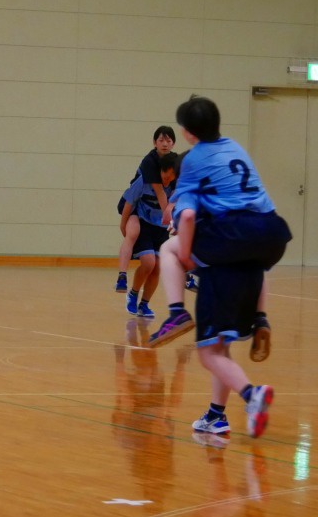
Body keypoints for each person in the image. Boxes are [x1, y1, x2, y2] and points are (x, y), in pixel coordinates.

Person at [146, 96, 290, 439]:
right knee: (219, 342)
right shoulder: (234, 148)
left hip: (230, 243)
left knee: (168, 249)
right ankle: (216, 413)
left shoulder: (193, 161)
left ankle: (178, 312)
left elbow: (191, 216)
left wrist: (185, 255)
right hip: (268, 236)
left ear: (186, 132)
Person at [115, 126, 176, 294]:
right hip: (134, 202)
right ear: (154, 143)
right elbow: (159, 192)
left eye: (168, 140)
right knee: (132, 232)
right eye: (161, 140)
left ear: (173, 144)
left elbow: (179, 191)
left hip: (154, 209)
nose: (164, 144)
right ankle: (122, 275)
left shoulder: (175, 163)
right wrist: (123, 224)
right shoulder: (150, 162)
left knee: (156, 264)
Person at [121, 152, 181, 319]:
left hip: (160, 229)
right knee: (148, 263)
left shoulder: (176, 187)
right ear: (160, 170)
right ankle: (133, 294)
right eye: (165, 176)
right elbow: (129, 201)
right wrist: (123, 224)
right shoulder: (145, 180)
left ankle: (144, 304)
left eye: (171, 178)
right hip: (144, 224)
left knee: (158, 267)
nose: (167, 180)